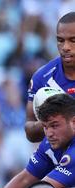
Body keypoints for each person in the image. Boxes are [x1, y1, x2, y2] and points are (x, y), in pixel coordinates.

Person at [3, 93, 75, 188]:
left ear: (73, 122)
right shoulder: (49, 144)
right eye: (45, 127)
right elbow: (24, 179)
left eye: (54, 125)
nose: (49, 133)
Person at [24, 12, 75, 143]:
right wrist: (52, 119)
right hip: (61, 159)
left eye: (73, 40)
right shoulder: (42, 78)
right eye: (60, 40)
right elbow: (29, 131)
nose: (65, 47)